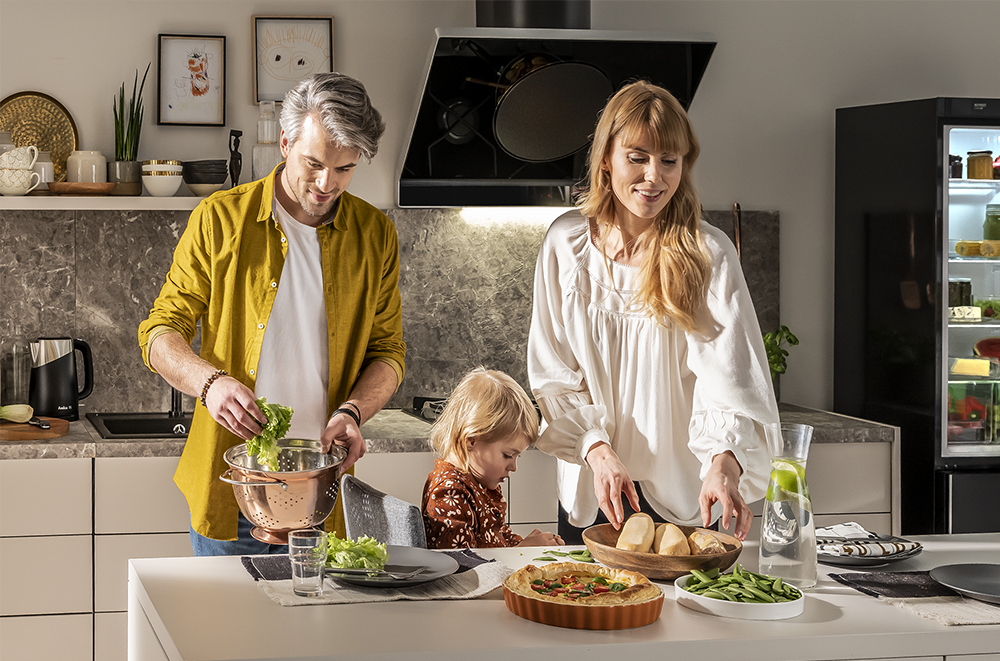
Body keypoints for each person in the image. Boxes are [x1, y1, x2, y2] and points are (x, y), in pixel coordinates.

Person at [138, 72, 406, 556]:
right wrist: (209, 384)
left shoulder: (375, 235)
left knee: (317, 610)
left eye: (344, 169)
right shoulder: (220, 219)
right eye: (314, 163)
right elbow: (160, 332)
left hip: (321, 495)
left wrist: (353, 411)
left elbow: (388, 352)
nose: (326, 184)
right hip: (232, 492)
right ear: (285, 143)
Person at [527, 80, 779, 546]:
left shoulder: (708, 253)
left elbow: (733, 386)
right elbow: (554, 378)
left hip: (686, 499)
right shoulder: (566, 246)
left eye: (669, 160)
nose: (654, 177)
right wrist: (597, 451)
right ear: (606, 157)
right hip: (596, 490)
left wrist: (724, 466)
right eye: (638, 157)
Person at [422, 367, 564, 549]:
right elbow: (461, 563)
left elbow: (499, 537)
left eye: (517, 456)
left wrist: (529, 545)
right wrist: (522, 550)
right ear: (471, 441)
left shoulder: (479, 482)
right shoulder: (449, 493)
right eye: (508, 455)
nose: (513, 467)